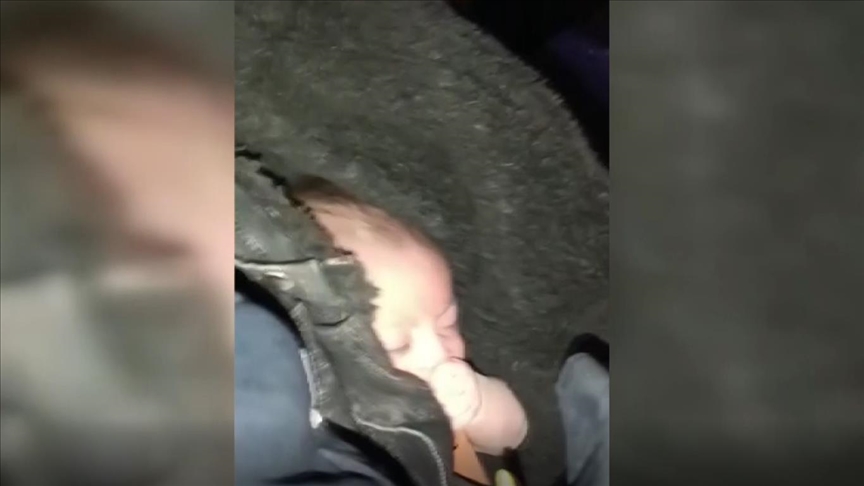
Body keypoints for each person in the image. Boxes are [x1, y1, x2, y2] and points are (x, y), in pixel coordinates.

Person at [235, 178, 609, 486]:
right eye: (399, 344)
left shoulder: (453, 381)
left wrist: (479, 406)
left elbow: (520, 435)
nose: (439, 354)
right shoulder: (345, 425)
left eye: (447, 322)